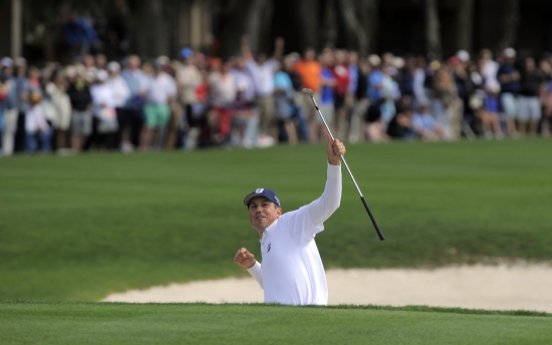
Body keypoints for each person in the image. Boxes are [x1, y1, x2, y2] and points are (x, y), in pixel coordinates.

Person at [234, 134, 346, 306]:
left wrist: (334, 164)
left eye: (265, 205)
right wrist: (252, 265)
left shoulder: (291, 223)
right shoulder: (266, 240)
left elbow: (329, 204)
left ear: (278, 212)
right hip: (283, 323)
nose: (258, 210)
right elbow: (273, 284)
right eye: (253, 207)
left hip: (307, 319)